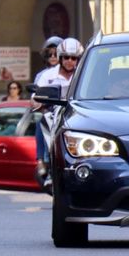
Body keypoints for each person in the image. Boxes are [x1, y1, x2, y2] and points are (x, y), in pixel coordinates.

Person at [32, 37, 82, 189]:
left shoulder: (82, 74)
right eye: (66, 57)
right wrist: (40, 102)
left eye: (73, 58)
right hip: (53, 114)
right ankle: (46, 163)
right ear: (61, 57)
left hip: (78, 116)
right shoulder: (47, 76)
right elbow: (35, 97)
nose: (69, 61)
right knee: (42, 121)